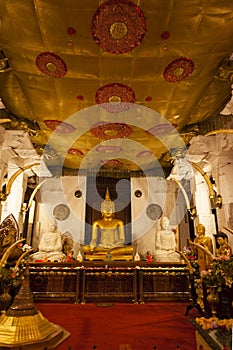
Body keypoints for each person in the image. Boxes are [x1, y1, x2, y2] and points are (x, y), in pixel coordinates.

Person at [83, 188, 133, 259]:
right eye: (105, 208)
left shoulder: (119, 222)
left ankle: (104, 253)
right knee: (85, 248)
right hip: (101, 246)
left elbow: (122, 240)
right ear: (101, 210)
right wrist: (92, 244)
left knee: (130, 249)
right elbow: (94, 239)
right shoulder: (97, 223)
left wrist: (113, 246)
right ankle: (106, 252)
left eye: (110, 208)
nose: (108, 210)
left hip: (115, 247)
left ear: (114, 210)